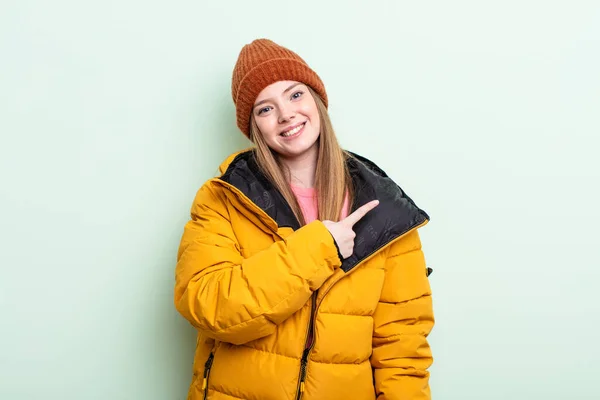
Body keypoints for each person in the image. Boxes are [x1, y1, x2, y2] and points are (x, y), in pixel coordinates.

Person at [174, 38, 434, 400]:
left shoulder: (384, 208)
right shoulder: (224, 198)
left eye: (295, 95)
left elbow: (402, 346)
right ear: (254, 127)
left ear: (316, 99)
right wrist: (318, 248)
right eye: (265, 109)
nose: (285, 115)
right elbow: (210, 305)